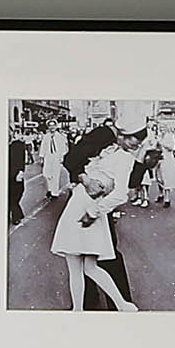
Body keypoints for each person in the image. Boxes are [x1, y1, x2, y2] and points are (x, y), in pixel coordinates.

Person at [61, 122, 134, 308]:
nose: (138, 142)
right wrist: (86, 180)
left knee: (89, 259)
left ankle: (104, 304)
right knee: (94, 258)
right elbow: (71, 159)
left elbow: (130, 182)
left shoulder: (125, 151)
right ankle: (112, 304)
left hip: (97, 204)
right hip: (88, 202)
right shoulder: (104, 135)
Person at [49, 166, 137, 310]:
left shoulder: (107, 160)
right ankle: (118, 304)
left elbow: (73, 160)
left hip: (81, 209)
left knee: (80, 268)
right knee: (88, 267)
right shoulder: (114, 161)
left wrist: (84, 179)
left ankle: (83, 308)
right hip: (89, 210)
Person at [7, 130, 29, 227]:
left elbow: (21, 159)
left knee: (17, 192)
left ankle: (17, 214)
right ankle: (16, 215)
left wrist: (21, 171)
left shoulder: (18, 145)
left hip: (15, 173)